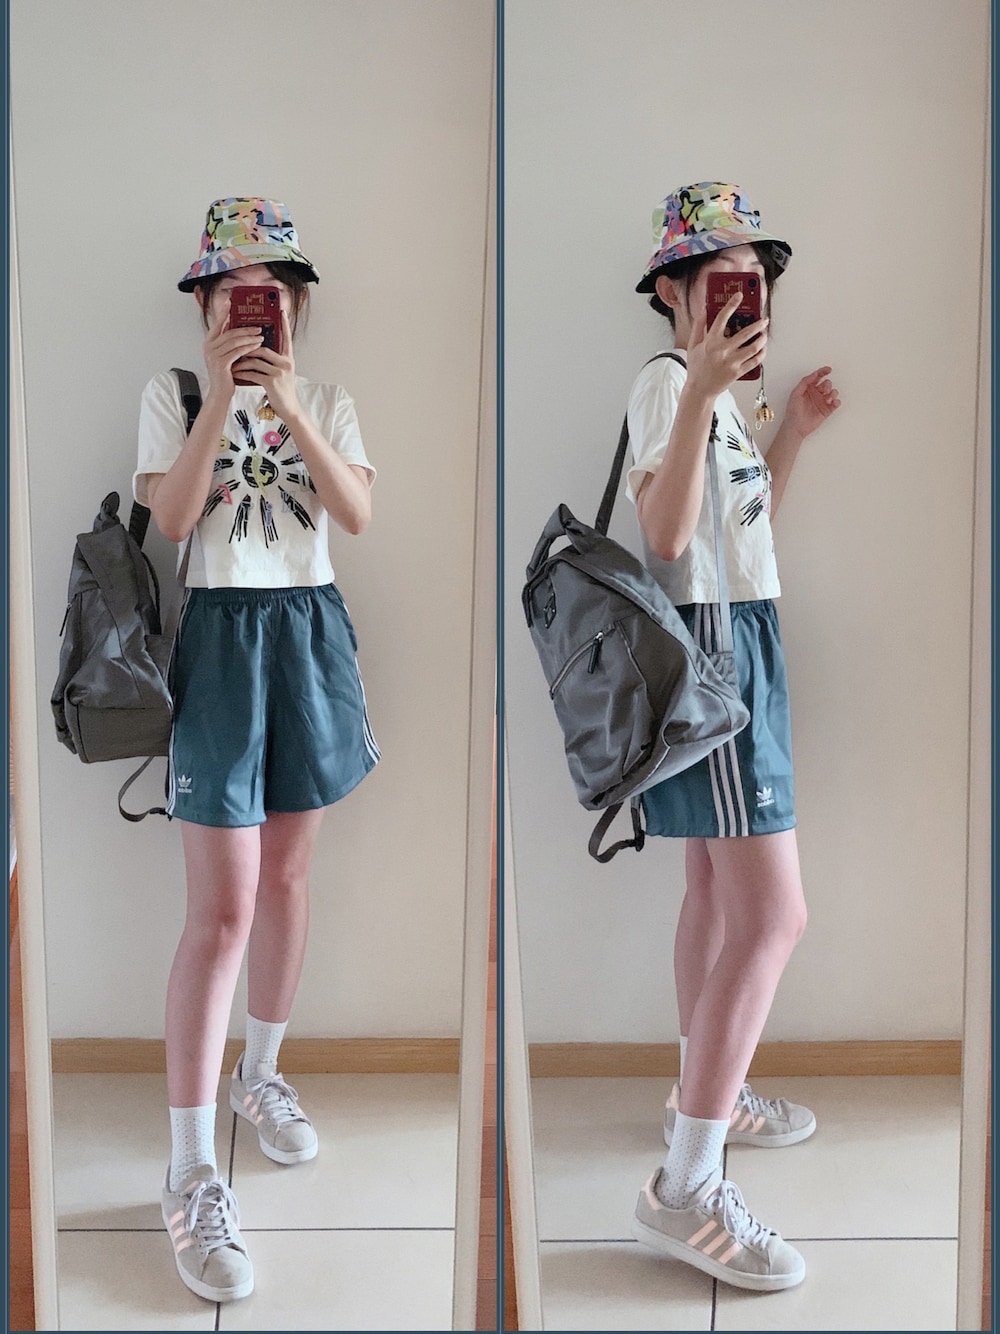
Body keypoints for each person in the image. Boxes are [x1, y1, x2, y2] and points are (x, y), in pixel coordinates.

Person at [134, 197, 379, 1304]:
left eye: (272, 295)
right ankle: (189, 1169)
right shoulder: (173, 395)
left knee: (285, 878)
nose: (255, 310)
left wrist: (282, 401)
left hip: (309, 633)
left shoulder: (325, 399)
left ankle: (261, 1074)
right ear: (205, 308)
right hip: (221, 645)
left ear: (296, 307)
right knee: (221, 909)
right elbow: (174, 521)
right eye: (235, 295)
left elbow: (355, 515)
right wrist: (220, 398)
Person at [625, 183, 840, 1291]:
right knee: (775, 913)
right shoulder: (666, 385)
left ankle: (702, 1095)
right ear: (673, 292)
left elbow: (744, 532)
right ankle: (686, 1184)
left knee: (716, 893)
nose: (741, 299)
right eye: (718, 281)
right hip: (711, 650)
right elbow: (664, 541)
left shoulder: (722, 399)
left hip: (745, 631)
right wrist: (704, 391)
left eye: (754, 283)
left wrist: (783, 431)